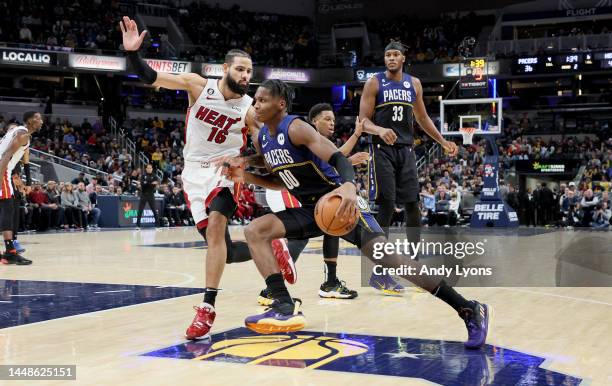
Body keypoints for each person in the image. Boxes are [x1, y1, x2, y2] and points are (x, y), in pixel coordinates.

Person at [218, 79, 489, 349]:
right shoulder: (264, 137)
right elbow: (282, 181)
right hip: (311, 210)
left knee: (398, 264)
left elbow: (338, 159)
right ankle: (282, 303)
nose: (256, 105)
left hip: (340, 204)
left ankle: (467, 308)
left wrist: (348, 187)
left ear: (281, 104)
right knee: (255, 230)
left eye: (262, 100)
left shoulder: (297, 128)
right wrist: (248, 176)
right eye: (255, 101)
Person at [120, 16, 297, 340]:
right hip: (192, 174)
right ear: (225, 68)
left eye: (249, 72)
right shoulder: (197, 85)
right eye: (241, 69)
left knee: (217, 226)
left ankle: (207, 308)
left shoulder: (249, 108)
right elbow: (150, 77)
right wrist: (132, 54)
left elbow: (263, 139)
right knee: (224, 251)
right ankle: (275, 247)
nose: (246, 76)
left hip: (224, 173)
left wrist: (245, 159)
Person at [359, 41, 457, 291]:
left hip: (406, 150)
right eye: (387, 55)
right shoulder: (375, 82)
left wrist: (442, 141)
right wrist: (380, 130)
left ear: (403, 58)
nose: (391, 58)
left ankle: (413, 263)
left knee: (413, 206)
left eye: (395, 55)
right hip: (382, 150)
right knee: (387, 206)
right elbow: (363, 121)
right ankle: (379, 272)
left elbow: (422, 118)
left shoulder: (414, 83)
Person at [0, 112, 42, 265]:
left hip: (5, 170)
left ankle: (9, 251)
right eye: (38, 118)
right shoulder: (22, 135)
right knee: (7, 207)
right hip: (2, 170)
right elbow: (5, 155)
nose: (41, 121)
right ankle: (10, 253)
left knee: (7, 207)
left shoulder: (19, 132)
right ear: (30, 121)